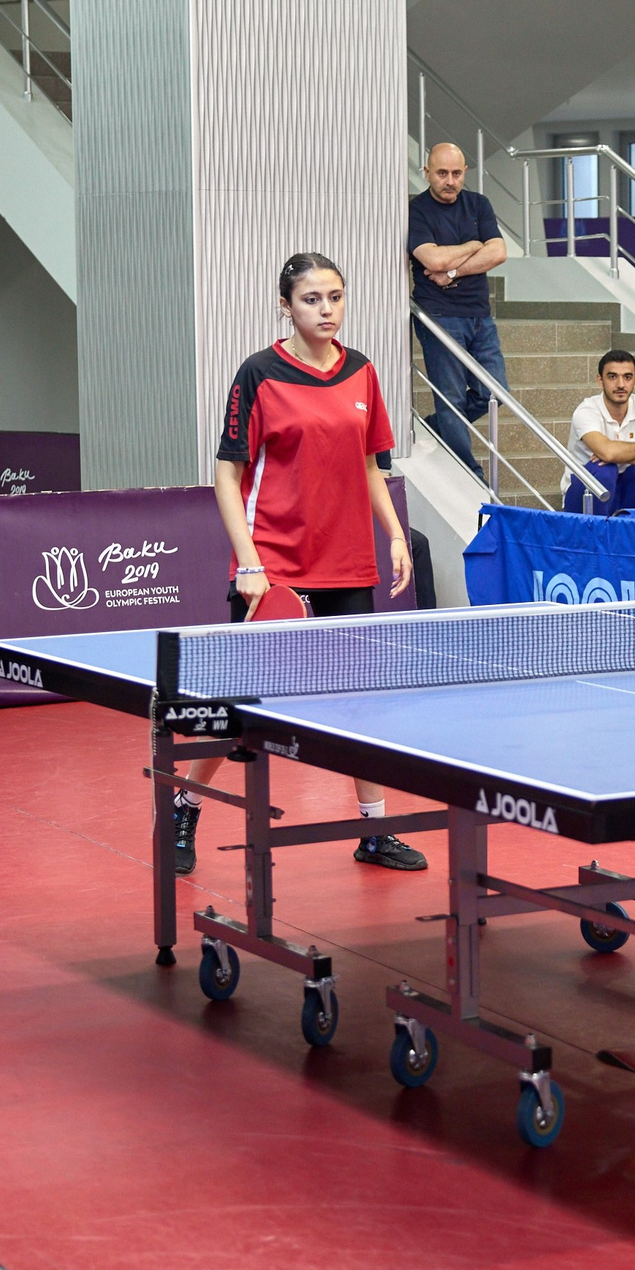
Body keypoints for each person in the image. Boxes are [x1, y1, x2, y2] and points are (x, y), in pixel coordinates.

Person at [171, 253, 426, 875]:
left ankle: (374, 829)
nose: (327, 310)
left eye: (336, 297)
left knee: (360, 701)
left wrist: (395, 533)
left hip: (347, 562)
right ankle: (183, 806)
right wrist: (249, 562)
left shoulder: (362, 373)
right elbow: (227, 476)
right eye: (312, 299)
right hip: (275, 564)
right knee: (238, 703)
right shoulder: (258, 373)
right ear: (286, 305)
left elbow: (370, 465)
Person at [408, 143, 509, 475]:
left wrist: (453, 270)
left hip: (479, 314)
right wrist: (472, 245)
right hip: (438, 316)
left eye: (456, 173)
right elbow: (432, 259)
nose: (449, 181)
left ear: (465, 171)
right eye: (441, 173)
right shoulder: (416, 210)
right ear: (427, 172)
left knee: (494, 392)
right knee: (450, 397)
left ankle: (434, 426)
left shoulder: (478, 204)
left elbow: (497, 252)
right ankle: (472, 475)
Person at [563, 348, 635, 513]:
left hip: (625, 487)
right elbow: (608, 453)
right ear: (600, 380)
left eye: (627, 377)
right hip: (585, 491)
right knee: (606, 469)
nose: (620, 384)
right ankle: (597, 532)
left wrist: (627, 458)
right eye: (612, 377)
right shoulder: (586, 411)